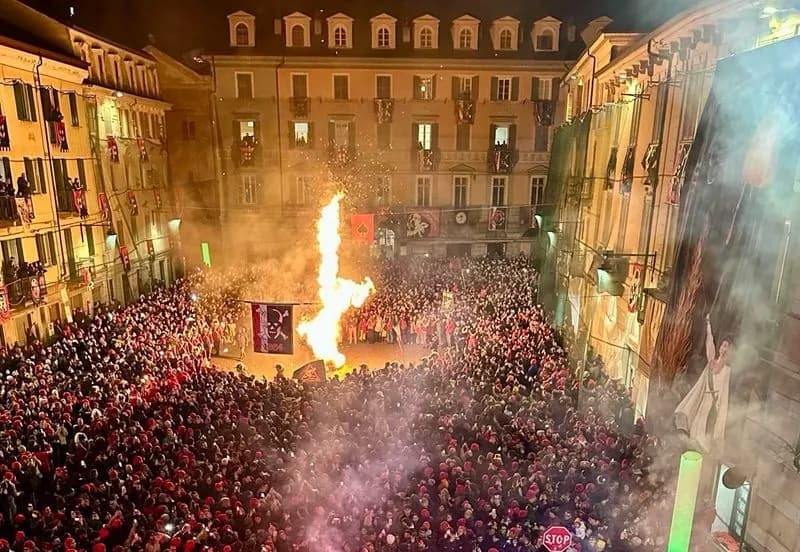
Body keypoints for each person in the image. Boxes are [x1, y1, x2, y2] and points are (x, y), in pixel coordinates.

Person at [674, 313, 732, 453]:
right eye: (723, 345)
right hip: (704, 399)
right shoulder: (711, 363)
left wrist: (720, 413)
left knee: (706, 432)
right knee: (697, 426)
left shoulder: (727, 370)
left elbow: (724, 395)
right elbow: (709, 344)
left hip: (714, 404)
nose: (724, 349)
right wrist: (708, 325)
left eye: (727, 347)